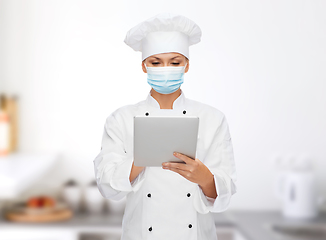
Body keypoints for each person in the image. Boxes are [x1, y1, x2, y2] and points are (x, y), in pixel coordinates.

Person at [93, 12, 237, 240]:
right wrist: (140, 162)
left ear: (186, 65)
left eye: (175, 62)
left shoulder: (212, 119)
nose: (165, 69)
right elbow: (106, 185)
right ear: (144, 66)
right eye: (156, 62)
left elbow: (225, 193)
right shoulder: (120, 119)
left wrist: (204, 178)